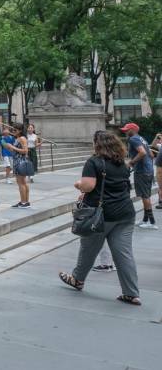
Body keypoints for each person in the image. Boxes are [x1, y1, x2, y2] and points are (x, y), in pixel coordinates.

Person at [59, 130, 140, 306]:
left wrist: (78, 185)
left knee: (88, 249)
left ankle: (77, 279)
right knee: (124, 254)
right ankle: (131, 293)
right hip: (126, 213)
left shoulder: (93, 162)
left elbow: (88, 186)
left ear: (97, 144)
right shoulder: (122, 163)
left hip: (101, 215)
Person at [121, 122, 156, 229]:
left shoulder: (133, 139)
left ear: (133, 130)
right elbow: (151, 154)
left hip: (142, 172)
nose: (125, 132)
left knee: (145, 196)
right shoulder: (142, 139)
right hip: (148, 170)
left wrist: (131, 163)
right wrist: (147, 164)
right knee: (146, 195)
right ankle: (145, 220)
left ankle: (151, 221)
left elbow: (143, 153)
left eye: (127, 130)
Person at [10, 123, 33, 209]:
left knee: (21, 183)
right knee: (22, 182)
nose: (13, 131)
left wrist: (13, 147)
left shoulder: (22, 138)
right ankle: (24, 201)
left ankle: (24, 202)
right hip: (18, 160)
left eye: (15, 130)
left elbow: (25, 151)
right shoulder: (18, 138)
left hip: (20, 161)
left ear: (19, 130)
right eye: (12, 130)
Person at [153, 133, 162, 211]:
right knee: (160, 187)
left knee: (161, 186)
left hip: (160, 171)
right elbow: (153, 145)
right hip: (159, 171)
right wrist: (156, 137)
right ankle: (160, 201)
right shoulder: (160, 146)